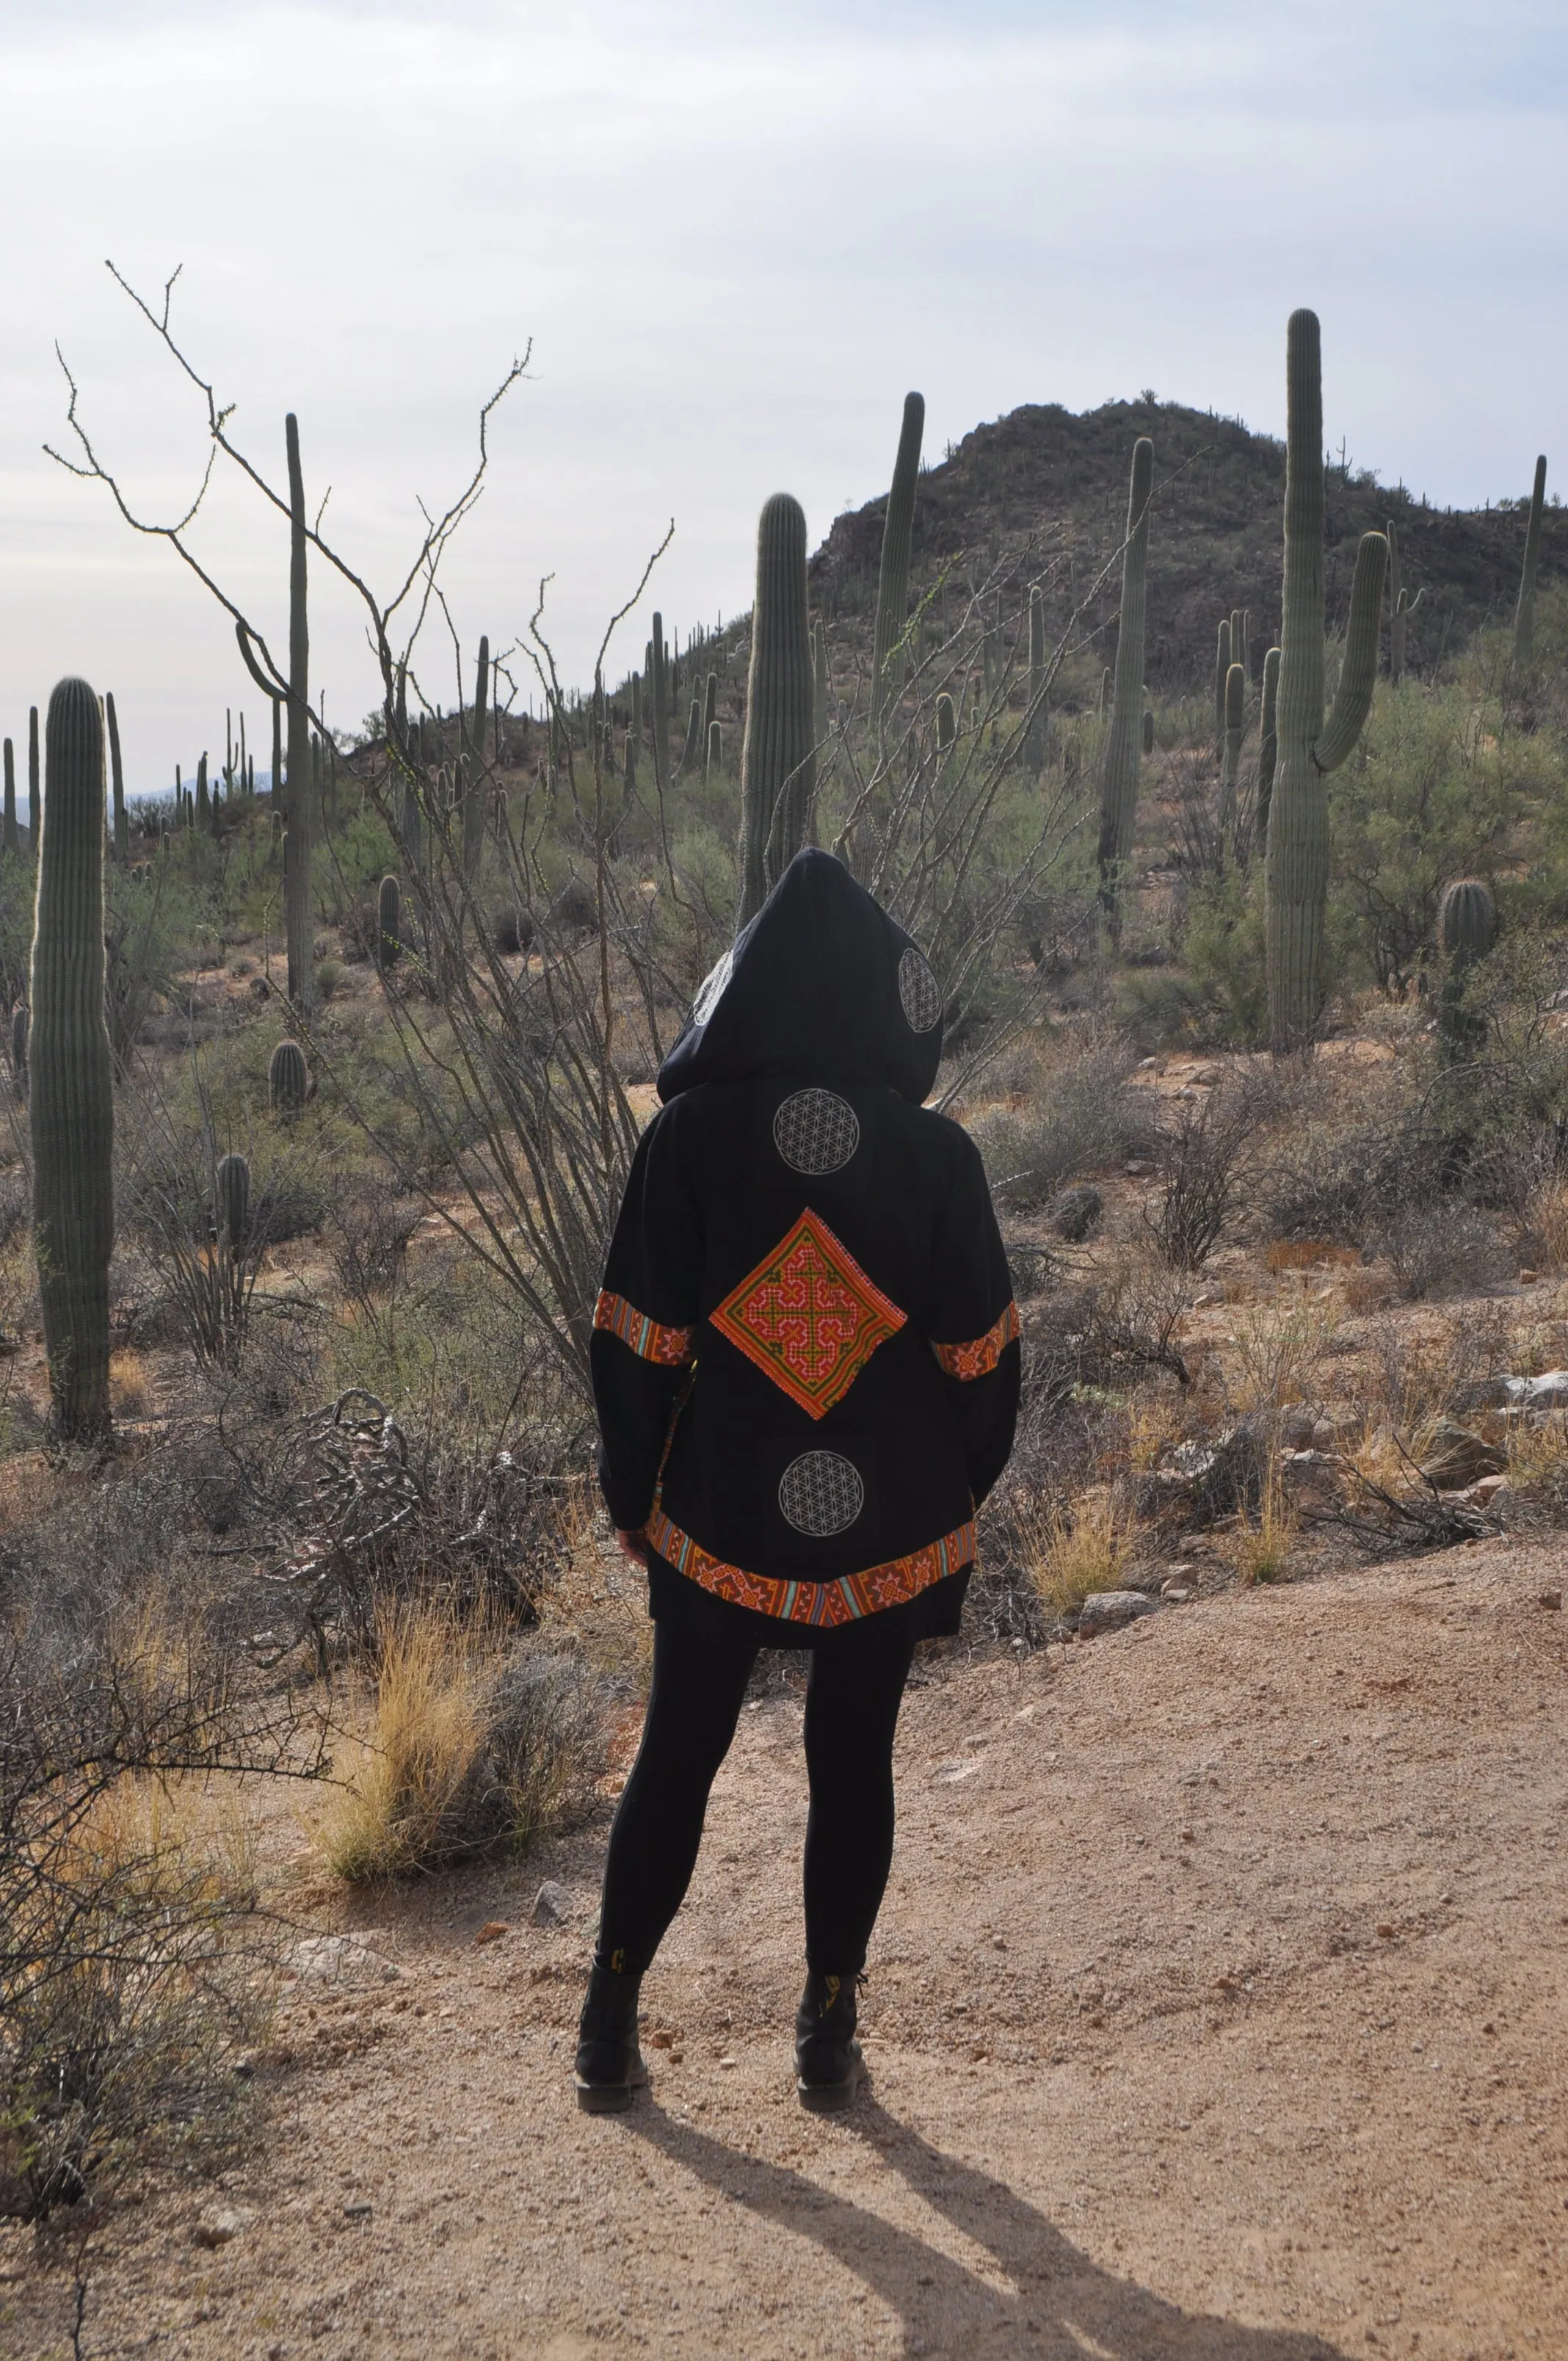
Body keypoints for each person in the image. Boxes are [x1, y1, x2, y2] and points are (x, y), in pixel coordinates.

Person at [577, 849, 1020, 2114]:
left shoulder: (688, 1139)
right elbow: (982, 1358)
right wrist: (950, 1488)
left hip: (720, 1504)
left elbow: (638, 1340)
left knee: (680, 1750)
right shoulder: (940, 1161)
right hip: (889, 1511)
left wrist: (632, 1496)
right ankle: (827, 2034)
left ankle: (608, 2020)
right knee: (852, 1758)